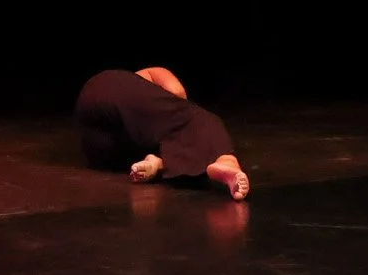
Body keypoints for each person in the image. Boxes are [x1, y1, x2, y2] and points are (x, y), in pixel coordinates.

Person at [74, 66, 250, 200]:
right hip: (103, 89)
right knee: (202, 119)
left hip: (101, 150)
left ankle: (156, 164)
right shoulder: (145, 77)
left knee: (166, 145)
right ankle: (227, 160)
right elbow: (177, 96)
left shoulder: (139, 119)